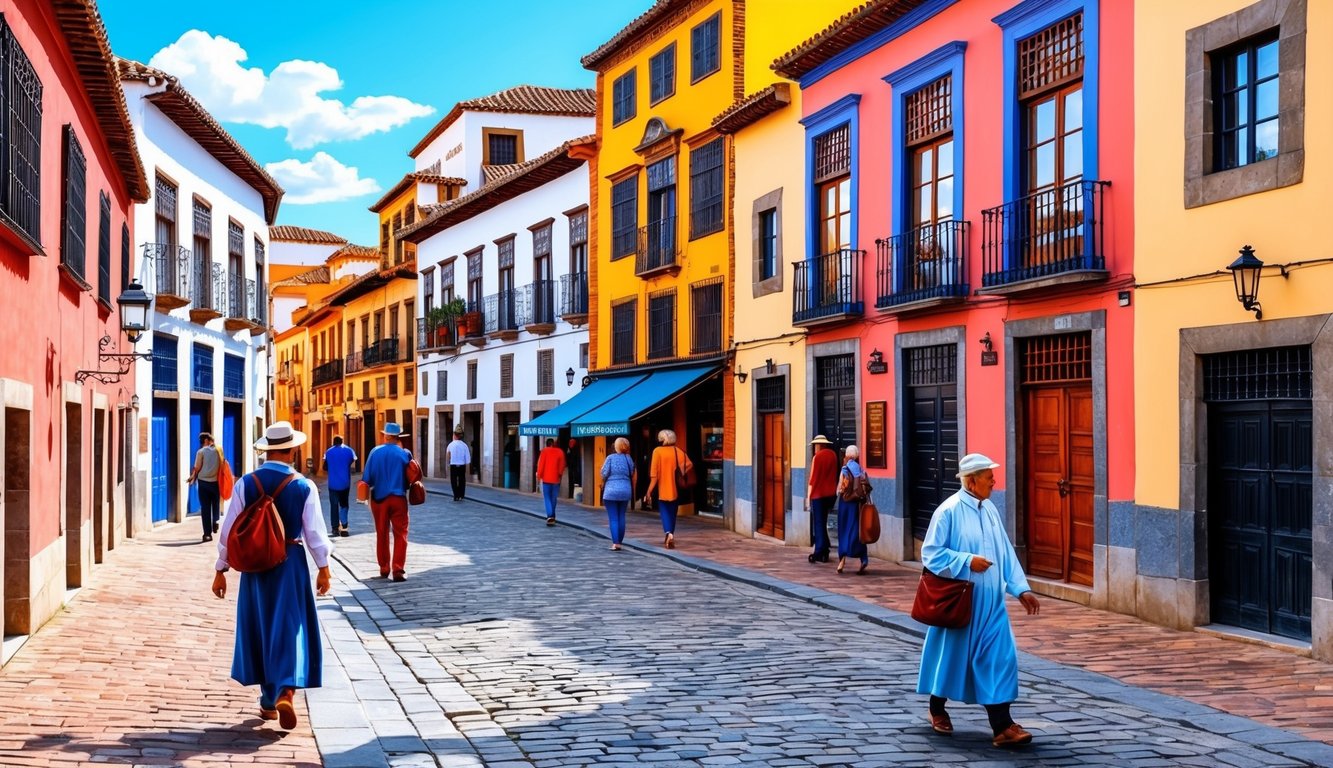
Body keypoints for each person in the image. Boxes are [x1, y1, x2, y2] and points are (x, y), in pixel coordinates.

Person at [210, 421, 332, 730]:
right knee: (289, 626)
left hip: (254, 564)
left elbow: (228, 530)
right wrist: (324, 568)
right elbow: (315, 533)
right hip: (289, 563)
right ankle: (285, 692)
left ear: (267, 451)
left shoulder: (246, 484)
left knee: (261, 627)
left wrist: (221, 570)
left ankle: (268, 700)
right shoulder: (304, 486)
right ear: (291, 450)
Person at [917, 453, 1040, 748]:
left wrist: (1020, 588)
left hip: (993, 604)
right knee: (950, 660)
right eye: (989, 478)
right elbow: (931, 554)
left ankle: (1002, 725)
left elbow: (1005, 552)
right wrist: (967, 560)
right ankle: (937, 708)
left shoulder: (990, 510)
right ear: (972, 482)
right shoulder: (948, 511)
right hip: (961, 602)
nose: (994, 482)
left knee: (1000, 659)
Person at [362, 422, 412, 582]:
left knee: (382, 533)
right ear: (398, 437)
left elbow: (366, 479)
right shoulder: (405, 454)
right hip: (399, 498)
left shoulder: (375, 452)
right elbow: (412, 477)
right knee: (401, 534)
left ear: (387, 436)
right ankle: (398, 569)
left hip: (379, 499)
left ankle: (384, 568)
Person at [644, 429, 692, 550]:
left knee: (664, 512)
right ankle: (671, 534)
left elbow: (654, 475)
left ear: (661, 439)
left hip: (662, 488)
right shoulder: (678, 451)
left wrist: (649, 491)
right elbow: (689, 464)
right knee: (673, 513)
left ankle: (668, 533)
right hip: (676, 488)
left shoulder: (657, 451)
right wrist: (680, 471)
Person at [835, 444, 870, 575]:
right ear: (856, 456)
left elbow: (841, 488)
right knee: (858, 530)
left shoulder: (844, 469)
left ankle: (841, 561)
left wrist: (839, 491)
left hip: (846, 503)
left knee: (843, 530)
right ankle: (863, 559)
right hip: (858, 504)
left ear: (847, 456)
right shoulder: (861, 469)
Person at [805, 435, 839, 564]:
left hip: (818, 494)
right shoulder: (833, 455)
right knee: (824, 521)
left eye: (815, 445)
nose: (814, 448)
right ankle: (825, 548)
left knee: (818, 523)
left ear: (818, 445)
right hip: (830, 494)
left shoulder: (817, 457)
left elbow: (812, 479)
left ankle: (819, 551)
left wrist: (808, 498)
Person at [600, 437, 636, 551]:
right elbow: (632, 471)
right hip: (625, 489)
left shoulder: (610, 458)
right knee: (621, 516)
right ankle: (620, 540)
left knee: (613, 518)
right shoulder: (628, 458)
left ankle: (615, 542)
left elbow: (604, 473)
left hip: (611, 490)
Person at [187, 432, 221, 542]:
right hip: (216, 482)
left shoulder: (200, 452)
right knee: (216, 503)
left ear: (205, 441)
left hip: (204, 483)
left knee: (205, 508)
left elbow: (197, 468)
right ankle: (216, 520)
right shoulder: (219, 451)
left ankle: (207, 534)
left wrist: (192, 477)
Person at [322, 436, 357, 537]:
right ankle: (344, 527)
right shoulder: (349, 450)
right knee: (344, 504)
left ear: (333, 442)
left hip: (332, 483)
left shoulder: (328, 452)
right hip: (345, 483)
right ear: (342, 441)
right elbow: (352, 460)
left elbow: (325, 467)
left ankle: (334, 528)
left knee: (334, 505)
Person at [536, 437, 567, 526]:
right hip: (556, 479)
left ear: (546, 444)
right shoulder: (560, 452)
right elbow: (562, 465)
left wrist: (539, 476)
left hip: (546, 479)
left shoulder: (544, 451)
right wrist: (559, 474)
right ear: (553, 443)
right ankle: (552, 514)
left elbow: (541, 464)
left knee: (547, 498)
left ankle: (550, 515)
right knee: (554, 498)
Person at [446, 426, 471, 501]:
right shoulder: (464, 445)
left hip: (453, 465)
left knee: (453, 480)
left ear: (454, 435)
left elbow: (448, 456)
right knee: (462, 480)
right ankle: (461, 495)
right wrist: (467, 466)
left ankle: (455, 495)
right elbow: (468, 458)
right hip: (462, 465)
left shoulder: (450, 445)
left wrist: (448, 464)